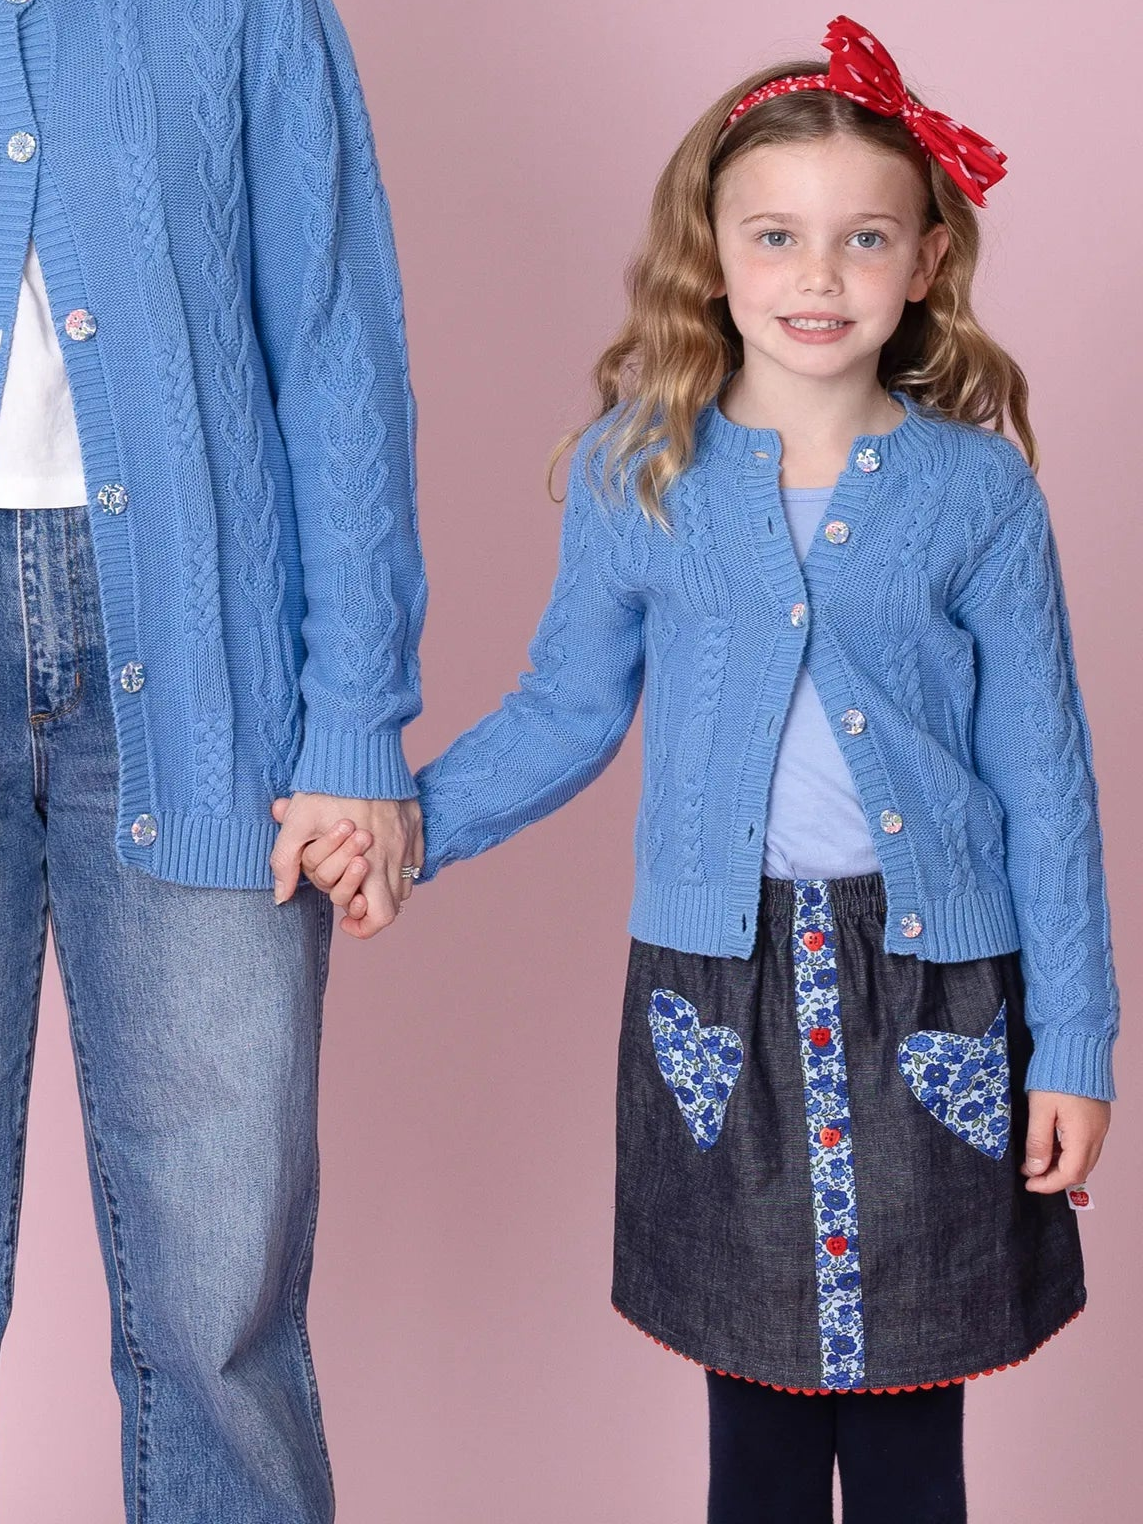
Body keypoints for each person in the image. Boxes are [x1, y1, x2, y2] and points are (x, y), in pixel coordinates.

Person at [304, 14, 1118, 1524]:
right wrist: (407, 829)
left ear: (926, 261)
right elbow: (564, 711)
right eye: (778, 236)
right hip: (714, 985)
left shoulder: (977, 490)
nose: (819, 276)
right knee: (750, 1421)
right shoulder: (641, 471)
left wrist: (1074, 1039)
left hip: (939, 984)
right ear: (714, 253)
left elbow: (1045, 779)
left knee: (904, 1430)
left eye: (864, 238)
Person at [0, 1, 423, 1519]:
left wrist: (354, 720)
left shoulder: (242, 14)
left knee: (216, 1302)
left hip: (202, 662)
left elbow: (332, 347)